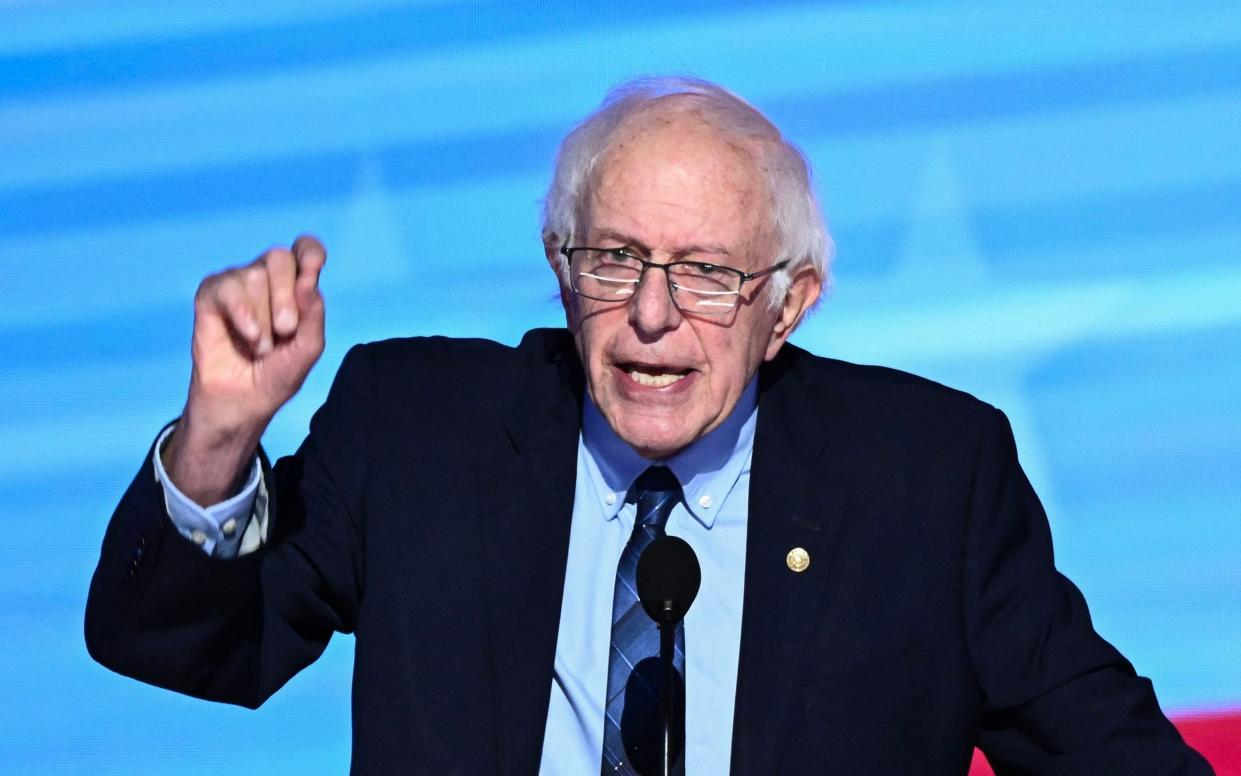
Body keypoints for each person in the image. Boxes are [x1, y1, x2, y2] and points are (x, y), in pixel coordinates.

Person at [85, 76, 1211, 775]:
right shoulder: (416, 430)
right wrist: (220, 435)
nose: (652, 315)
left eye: (707, 273)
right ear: (557, 268)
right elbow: (182, 644)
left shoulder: (925, 480)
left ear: (789, 303)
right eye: (615, 258)